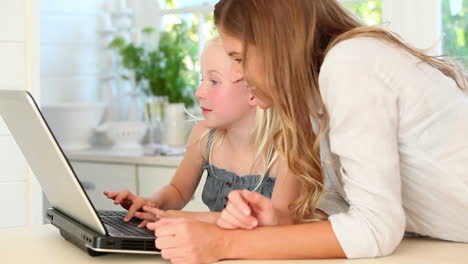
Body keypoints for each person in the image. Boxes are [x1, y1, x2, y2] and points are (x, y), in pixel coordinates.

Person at [146, 0, 468, 262]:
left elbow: (374, 229)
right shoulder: (317, 98)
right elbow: (363, 214)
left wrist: (223, 245)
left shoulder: (351, 63)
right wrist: (274, 221)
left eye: (240, 58)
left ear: (274, 45)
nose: (240, 74)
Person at [104, 37, 301, 228]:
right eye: (202, 79)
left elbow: (279, 222)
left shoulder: (286, 148)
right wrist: (150, 205)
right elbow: (178, 191)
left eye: (214, 81)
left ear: (254, 92)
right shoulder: (205, 136)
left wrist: (183, 218)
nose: (199, 92)